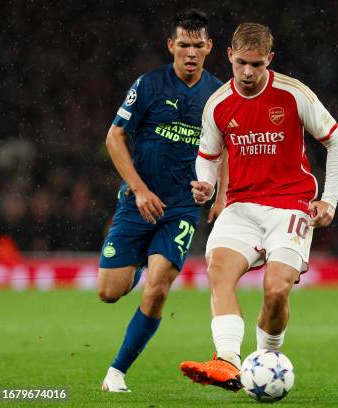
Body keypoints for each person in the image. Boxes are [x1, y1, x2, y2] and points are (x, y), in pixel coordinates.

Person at [179, 22, 338, 391]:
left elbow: (337, 141)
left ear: (269, 59)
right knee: (219, 271)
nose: (248, 72)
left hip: (291, 206)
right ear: (229, 56)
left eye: (257, 64)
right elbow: (207, 155)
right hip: (240, 207)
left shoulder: (293, 94)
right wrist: (206, 183)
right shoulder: (218, 104)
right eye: (241, 63)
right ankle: (226, 361)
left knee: (275, 292)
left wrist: (328, 200)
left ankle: (266, 359)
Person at [98, 9, 222, 392]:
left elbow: (227, 149)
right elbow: (114, 137)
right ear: (170, 45)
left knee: (158, 287)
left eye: (197, 45)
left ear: (209, 48)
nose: (190, 52)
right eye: (183, 44)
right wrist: (137, 189)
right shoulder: (149, 85)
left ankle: (116, 372)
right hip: (138, 203)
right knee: (109, 292)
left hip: (182, 208)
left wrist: (214, 188)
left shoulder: (218, 95)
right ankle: (134, 266)